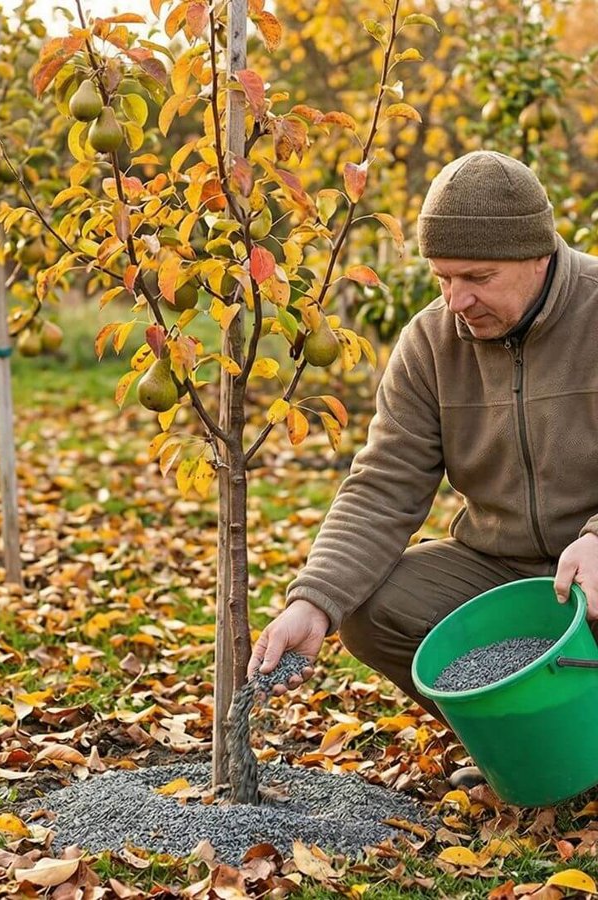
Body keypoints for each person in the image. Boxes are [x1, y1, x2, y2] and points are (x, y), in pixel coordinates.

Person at [248, 150, 598, 787]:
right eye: (442, 276)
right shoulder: (431, 342)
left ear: (540, 253)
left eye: (478, 276)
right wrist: (314, 601)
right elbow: (383, 485)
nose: (456, 298)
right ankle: (533, 747)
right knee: (370, 605)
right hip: (503, 566)